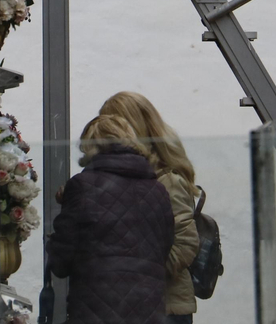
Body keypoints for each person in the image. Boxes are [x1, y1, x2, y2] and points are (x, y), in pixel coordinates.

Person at [47, 113, 175, 324]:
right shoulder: (159, 190)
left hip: (95, 313)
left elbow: (61, 262)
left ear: (90, 146)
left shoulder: (82, 186)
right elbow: (165, 248)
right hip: (149, 313)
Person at [100, 92, 202, 323]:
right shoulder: (120, 177)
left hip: (165, 308)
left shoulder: (168, 180)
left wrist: (137, 272)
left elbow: (185, 245)